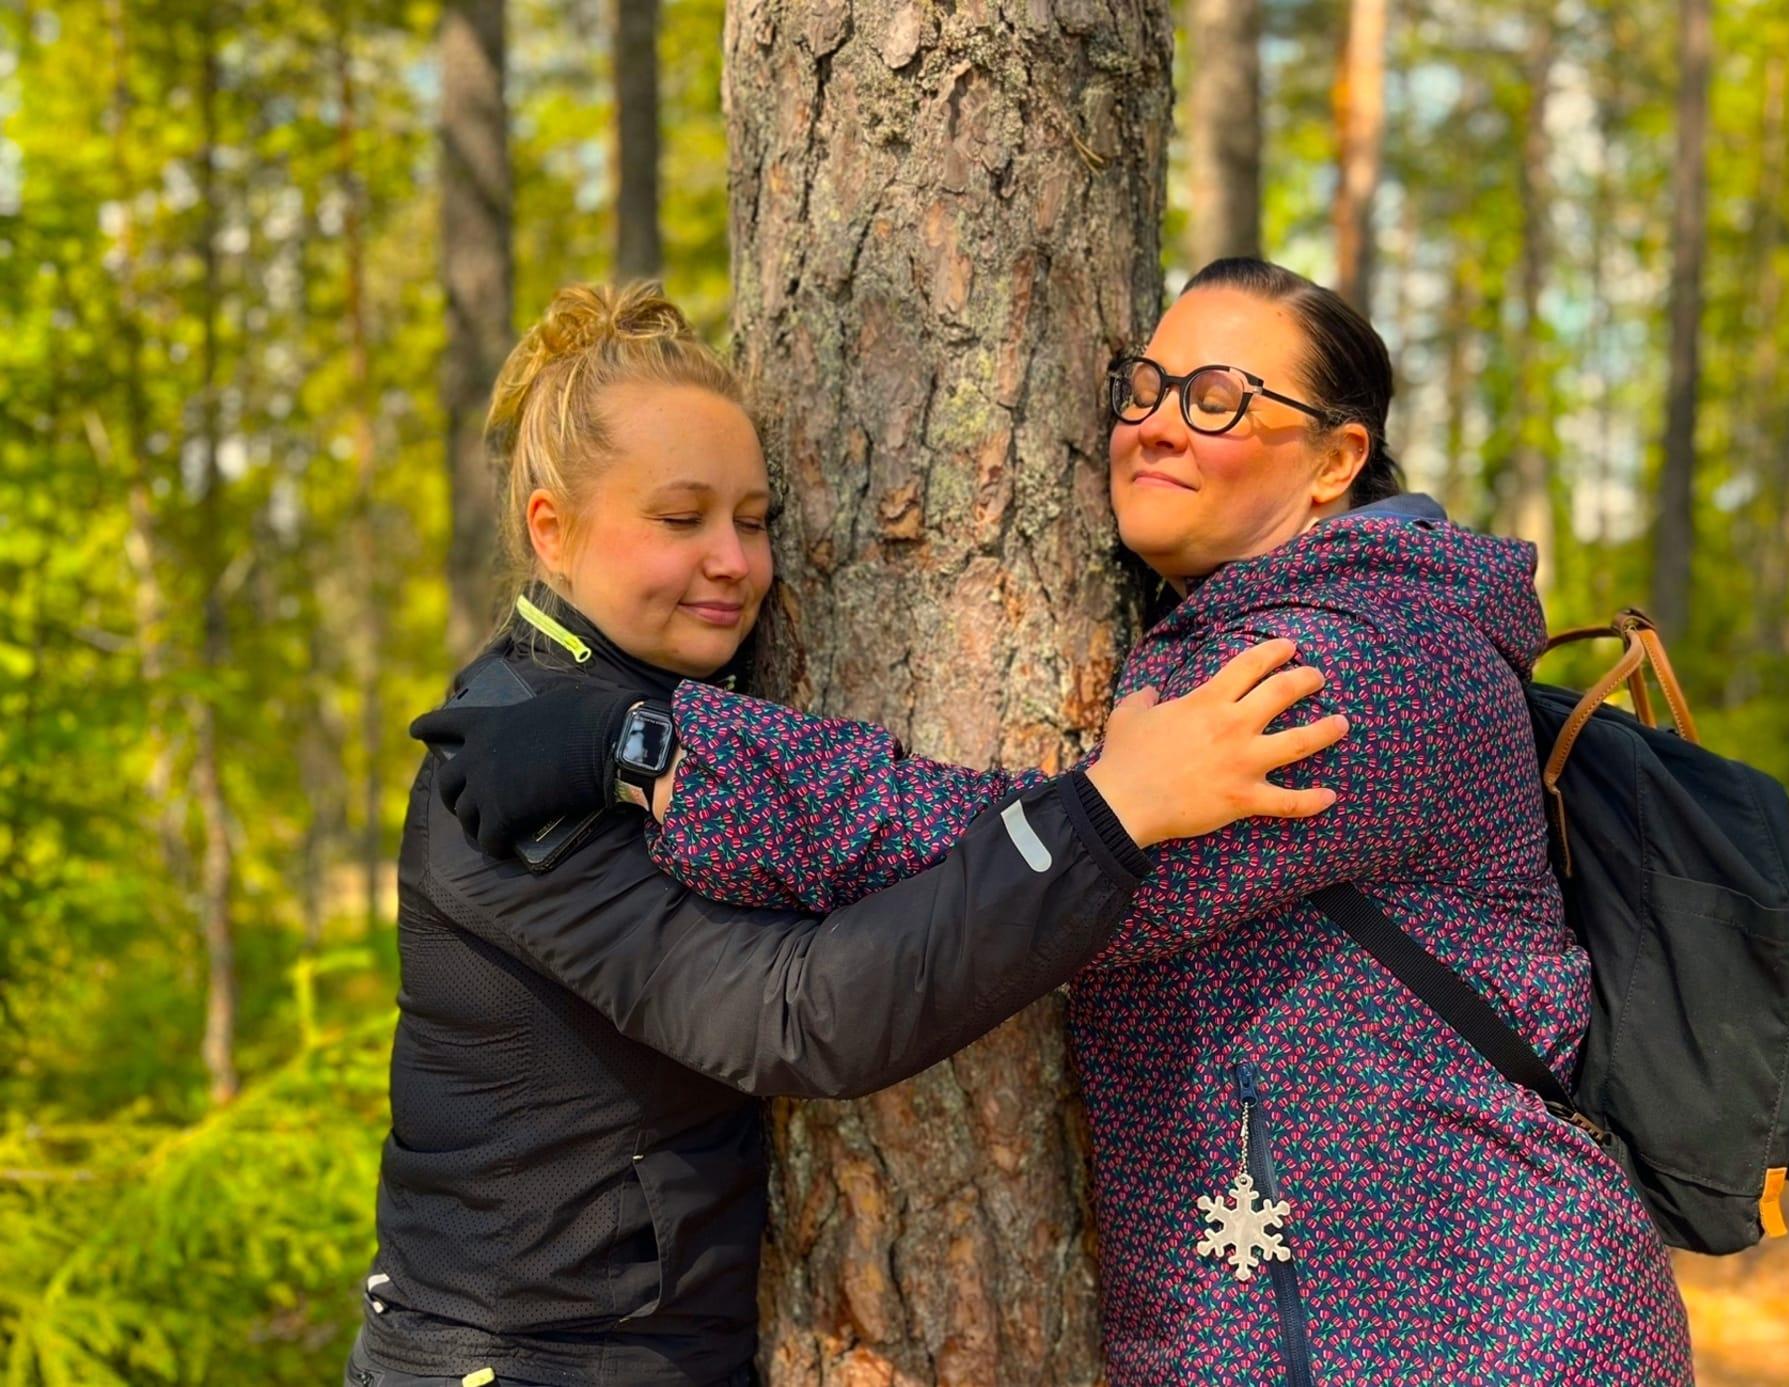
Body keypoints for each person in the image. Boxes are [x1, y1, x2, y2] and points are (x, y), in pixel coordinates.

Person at [434, 261, 1696, 1384]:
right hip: (1322, 1312)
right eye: (1143, 386)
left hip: (1474, 1320)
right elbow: (1051, 850)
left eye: (1220, 397)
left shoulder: (1340, 672)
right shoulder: (1227, 637)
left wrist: (649, 745)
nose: (1155, 423)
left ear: (1334, 460)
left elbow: (1012, 853)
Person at [352, 281, 1349, 1387]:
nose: (733, 561)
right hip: (523, 1361)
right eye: (680, 520)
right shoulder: (507, 770)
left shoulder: (654, 703)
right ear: (554, 528)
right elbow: (798, 1013)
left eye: (755, 518)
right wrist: (1107, 815)